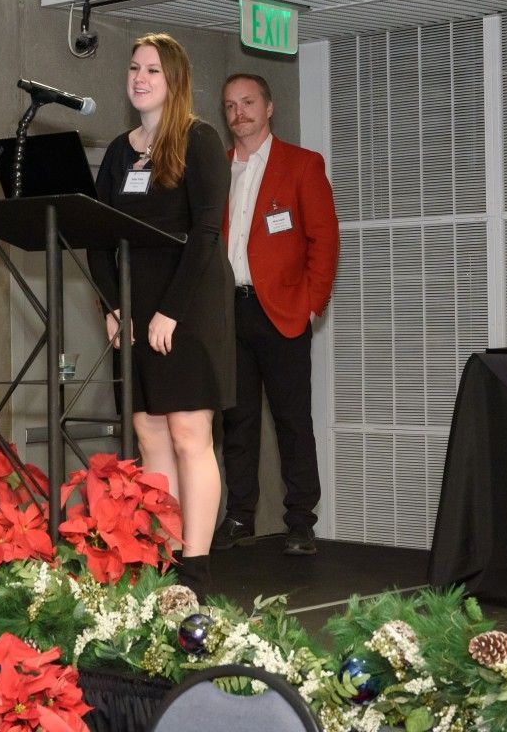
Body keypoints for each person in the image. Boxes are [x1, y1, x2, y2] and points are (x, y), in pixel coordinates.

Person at [87, 33, 234, 596]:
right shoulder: (120, 153)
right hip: (136, 304)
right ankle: (165, 554)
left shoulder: (198, 139)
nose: (140, 77)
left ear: (174, 81)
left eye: (152, 69)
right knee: (149, 434)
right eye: (134, 68)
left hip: (190, 303)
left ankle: (195, 564)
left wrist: (169, 311)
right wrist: (113, 304)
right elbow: (96, 235)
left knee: (189, 431)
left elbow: (205, 233)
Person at [212, 73, 340, 557]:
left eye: (247, 102)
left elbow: (324, 240)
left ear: (269, 108)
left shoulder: (302, 165)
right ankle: (239, 516)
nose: (238, 112)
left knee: (292, 420)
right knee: (237, 422)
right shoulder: (218, 170)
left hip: (284, 312)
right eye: (229, 105)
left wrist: (312, 304)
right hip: (229, 315)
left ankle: (301, 521)